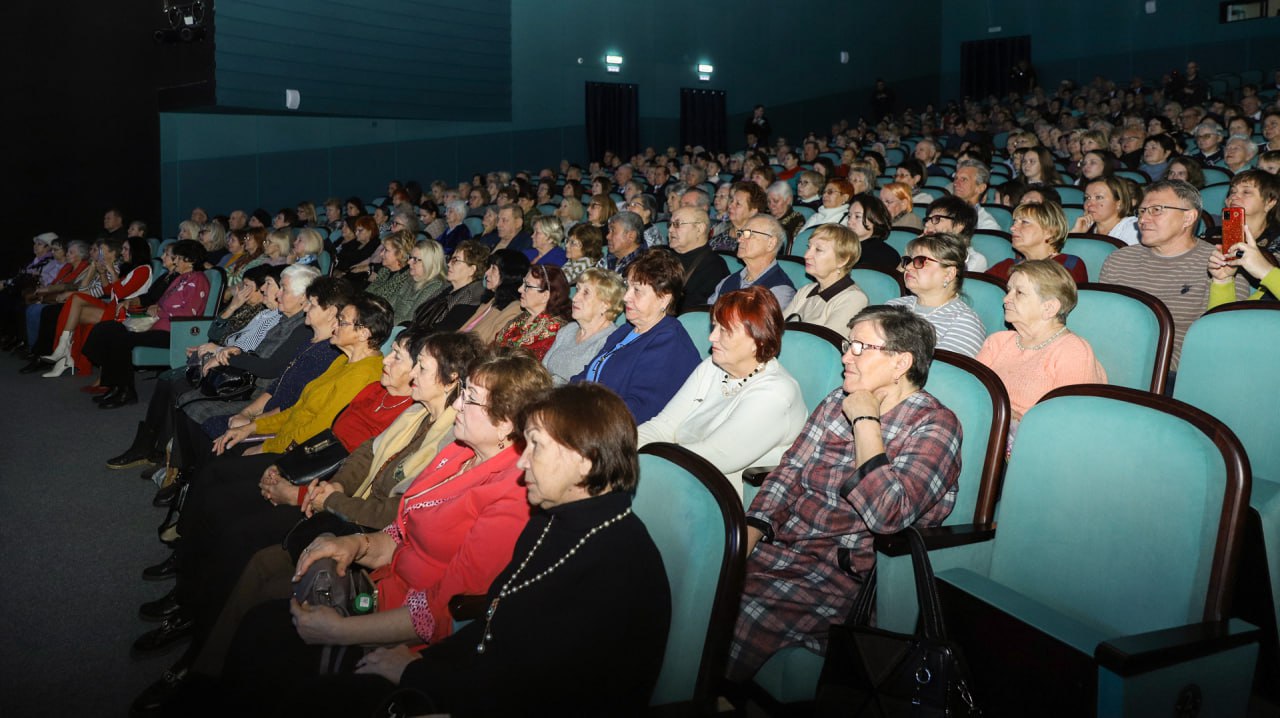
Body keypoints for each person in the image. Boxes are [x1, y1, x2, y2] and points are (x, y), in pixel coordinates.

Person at [186, 351, 555, 717]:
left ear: (506, 422)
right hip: (379, 586)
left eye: (471, 399)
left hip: (406, 633)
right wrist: (354, 544)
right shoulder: (458, 453)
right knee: (261, 613)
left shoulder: (513, 495)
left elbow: (443, 609)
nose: (457, 405)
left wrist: (340, 631)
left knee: (272, 642)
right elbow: (399, 530)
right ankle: (200, 683)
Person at [280, 383, 671, 717]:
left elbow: (539, 690)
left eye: (535, 447)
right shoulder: (552, 520)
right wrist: (421, 663)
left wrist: (417, 675)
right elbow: (493, 621)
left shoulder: (619, 567)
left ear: (584, 462)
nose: (522, 463)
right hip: (474, 681)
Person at [727, 305, 962, 681]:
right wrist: (743, 542)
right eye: (846, 344)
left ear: (901, 362)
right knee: (699, 590)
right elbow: (788, 473)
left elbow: (888, 516)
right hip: (784, 548)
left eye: (859, 347)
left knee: (736, 616)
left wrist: (866, 420)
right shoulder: (838, 400)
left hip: (843, 574)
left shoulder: (935, 425)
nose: (845, 356)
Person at [639, 287, 806, 495]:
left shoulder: (775, 394)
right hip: (676, 470)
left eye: (725, 331)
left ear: (758, 340)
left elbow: (713, 457)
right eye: (714, 327)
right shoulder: (713, 366)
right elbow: (663, 426)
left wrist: (635, 463)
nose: (712, 338)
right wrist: (617, 450)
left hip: (716, 495)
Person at [1100, 179, 1248, 369]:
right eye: (1142, 211)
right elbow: (1105, 326)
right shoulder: (1118, 260)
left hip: (1176, 374)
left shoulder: (1222, 266)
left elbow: (1217, 342)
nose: (1143, 220)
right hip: (1112, 364)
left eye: (1156, 210)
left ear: (1188, 218)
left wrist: (1148, 370)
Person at [573, 250, 700, 423]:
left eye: (637, 290)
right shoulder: (626, 330)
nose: (626, 297)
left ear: (664, 299)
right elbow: (587, 374)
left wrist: (578, 417)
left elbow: (639, 409)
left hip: (609, 429)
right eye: (628, 286)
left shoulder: (670, 343)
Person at [79, 240, 208, 408]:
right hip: (158, 326)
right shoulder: (181, 278)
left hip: (173, 332)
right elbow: (160, 302)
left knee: (121, 338)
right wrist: (155, 307)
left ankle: (126, 391)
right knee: (108, 327)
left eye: (177, 258)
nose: (174, 261)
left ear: (189, 260)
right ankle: (114, 385)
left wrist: (160, 311)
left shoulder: (198, 280)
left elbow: (189, 312)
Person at [977, 260, 1107, 422]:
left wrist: (1007, 418)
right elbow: (971, 395)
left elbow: (1068, 421)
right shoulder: (997, 341)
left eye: (1019, 293)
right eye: (1009, 290)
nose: (1005, 299)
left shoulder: (1072, 351)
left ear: (1049, 308)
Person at [39, 236, 153, 378]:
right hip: (114, 307)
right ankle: (64, 352)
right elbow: (108, 290)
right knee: (74, 308)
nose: (122, 252)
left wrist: (111, 271)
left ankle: (64, 353)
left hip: (124, 312)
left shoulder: (143, 270)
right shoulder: (131, 269)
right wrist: (103, 273)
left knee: (75, 303)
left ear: (135, 251)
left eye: (126, 249)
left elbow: (119, 294)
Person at [886, 233, 987, 357]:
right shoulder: (893, 305)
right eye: (909, 261)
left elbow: (940, 374)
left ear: (949, 274)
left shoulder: (965, 323)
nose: (908, 267)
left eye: (920, 261)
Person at [541, 268, 625, 385]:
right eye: (577, 290)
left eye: (586, 293)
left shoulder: (610, 342)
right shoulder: (568, 330)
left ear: (605, 305)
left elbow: (592, 390)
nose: (574, 298)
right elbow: (542, 372)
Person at [783, 224, 870, 333]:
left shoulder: (853, 298)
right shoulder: (806, 291)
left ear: (842, 260)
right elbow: (776, 329)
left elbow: (825, 347)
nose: (806, 255)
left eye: (818, 250)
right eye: (809, 247)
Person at [709, 213, 796, 308]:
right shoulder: (727, 282)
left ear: (771, 243)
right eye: (741, 233)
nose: (739, 240)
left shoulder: (779, 291)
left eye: (748, 234)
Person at [989, 202, 1088, 284]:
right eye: (1014, 222)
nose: (1012, 228)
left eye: (1024, 222)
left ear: (1050, 231)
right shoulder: (1005, 266)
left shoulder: (1068, 265)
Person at [411, 240, 490, 331]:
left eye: (455, 260)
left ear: (471, 270)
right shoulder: (447, 288)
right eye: (451, 259)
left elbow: (444, 331)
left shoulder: (471, 297)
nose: (448, 264)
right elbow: (419, 313)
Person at [495, 264, 570, 359]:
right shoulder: (524, 316)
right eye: (523, 283)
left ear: (545, 296)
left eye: (527, 286)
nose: (520, 289)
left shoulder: (554, 332)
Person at [458, 249, 530, 344]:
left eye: (494, 269)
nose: (487, 273)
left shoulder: (514, 310)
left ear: (508, 275)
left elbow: (489, 346)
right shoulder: (492, 300)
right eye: (489, 267)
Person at [922, 195, 990, 271]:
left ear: (958, 226)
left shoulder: (974, 261)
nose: (927, 224)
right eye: (928, 219)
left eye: (937, 219)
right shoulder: (919, 252)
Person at [1072, 176, 1140, 245]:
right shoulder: (1087, 229)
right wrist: (1076, 234)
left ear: (1119, 203)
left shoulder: (1134, 229)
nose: (1089, 203)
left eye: (1098, 197)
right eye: (1087, 197)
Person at [845, 193, 902, 274]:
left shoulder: (884, 254)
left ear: (875, 219)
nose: (849, 222)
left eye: (857, 216)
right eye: (849, 216)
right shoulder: (842, 246)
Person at [599, 211, 647, 275]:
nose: (607, 236)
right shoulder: (608, 257)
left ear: (631, 236)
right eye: (609, 231)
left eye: (613, 231)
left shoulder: (643, 266)